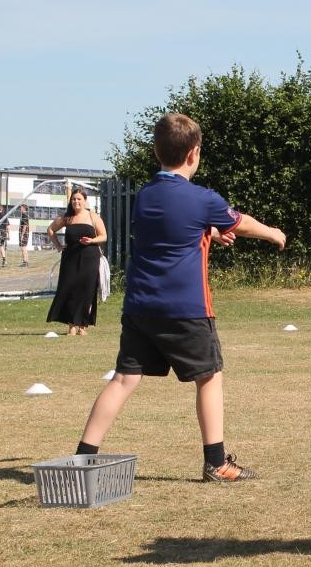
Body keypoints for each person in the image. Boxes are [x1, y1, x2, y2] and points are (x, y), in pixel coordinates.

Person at [74, 112, 285, 483]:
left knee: (124, 379)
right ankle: (217, 463)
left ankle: (82, 458)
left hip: (140, 306)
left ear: (156, 151)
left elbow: (171, 232)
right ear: (194, 153)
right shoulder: (202, 199)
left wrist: (207, 235)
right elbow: (241, 221)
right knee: (209, 377)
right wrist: (272, 233)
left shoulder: (145, 195)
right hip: (186, 308)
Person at [45, 189, 106, 336]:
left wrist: (92, 240)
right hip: (70, 259)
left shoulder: (93, 216)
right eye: (73, 199)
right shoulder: (67, 218)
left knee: (87, 290)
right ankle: (71, 325)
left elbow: (103, 236)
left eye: (79, 199)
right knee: (69, 289)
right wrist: (59, 246)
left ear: (85, 201)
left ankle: (83, 325)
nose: (76, 202)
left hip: (90, 258)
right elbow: (50, 230)